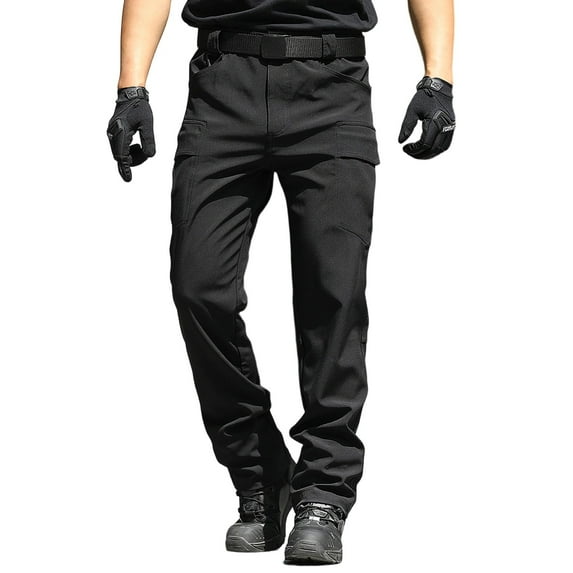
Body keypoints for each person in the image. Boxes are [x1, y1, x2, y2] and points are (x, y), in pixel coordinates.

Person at [106, 0, 455, 565]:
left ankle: (323, 493)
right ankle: (262, 473)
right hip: (223, 83)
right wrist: (131, 90)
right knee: (199, 286)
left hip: (331, 84)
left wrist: (437, 79)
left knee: (333, 294)